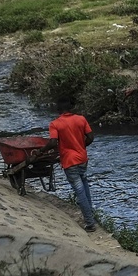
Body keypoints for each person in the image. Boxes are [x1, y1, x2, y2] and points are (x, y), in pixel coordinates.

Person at [47, 98, 98, 232]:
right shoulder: (81, 119)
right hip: (82, 159)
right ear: (71, 109)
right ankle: (91, 216)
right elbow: (91, 137)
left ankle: (90, 223)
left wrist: (41, 151)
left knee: (79, 191)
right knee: (85, 186)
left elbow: (52, 143)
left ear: (58, 110)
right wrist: (81, 146)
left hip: (70, 161)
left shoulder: (55, 124)